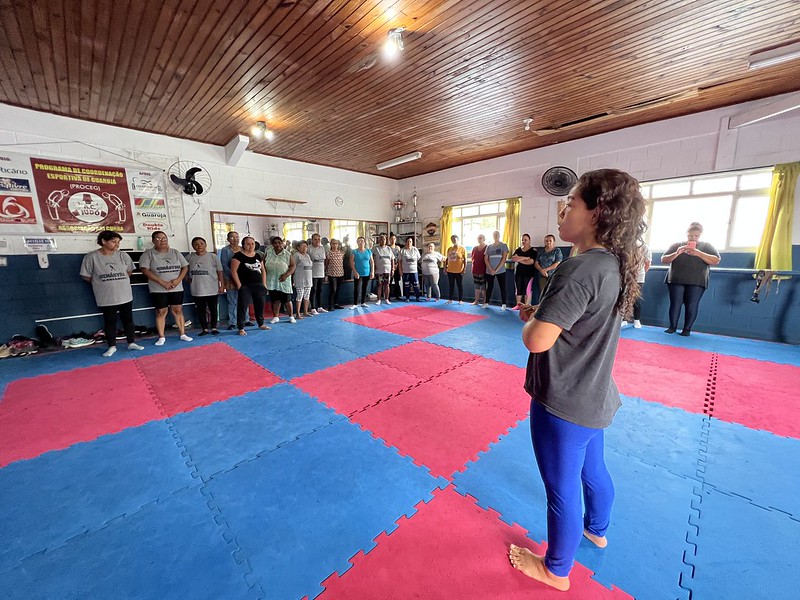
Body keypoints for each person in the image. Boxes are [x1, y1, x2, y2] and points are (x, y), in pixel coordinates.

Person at [509, 168, 647, 592]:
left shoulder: (580, 268)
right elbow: (580, 322)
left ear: (597, 212)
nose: (561, 212)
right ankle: (597, 530)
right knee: (594, 471)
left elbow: (536, 341)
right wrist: (547, 315)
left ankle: (555, 569)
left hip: (563, 400)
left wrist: (532, 322)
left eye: (570, 203)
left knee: (560, 488)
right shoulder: (615, 263)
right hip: (595, 396)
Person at [80, 230, 145, 357]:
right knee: (110, 321)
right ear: (104, 241)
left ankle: (131, 342)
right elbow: (85, 276)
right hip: (106, 296)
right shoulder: (91, 257)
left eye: (118, 242)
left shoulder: (123, 255)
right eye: (113, 242)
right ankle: (112, 346)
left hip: (124, 294)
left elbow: (129, 271)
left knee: (128, 319)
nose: (117, 245)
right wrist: (101, 282)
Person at [660, 222, 720, 336]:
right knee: (675, 303)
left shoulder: (707, 246)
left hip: (697, 281)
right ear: (686, 234)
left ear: (700, 235)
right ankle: (672, 327)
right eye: (690, 236)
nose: (693, 238)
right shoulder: (677, 245)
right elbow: (664, 259)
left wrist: (698, 253)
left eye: (696, 236)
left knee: (692, 304)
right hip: (676, 279)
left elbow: (716, 260)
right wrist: (677, 253)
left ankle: (687, 329)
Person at [139, 231, 191, 346]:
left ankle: (183, 334)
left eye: (164, 238)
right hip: (158, 289)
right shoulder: (148, 254)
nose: (162, 241)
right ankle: (161, 336)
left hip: (176, 288)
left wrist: (178, 280)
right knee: (161, 312)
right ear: (153, 241)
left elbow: (185, 267)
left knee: (177, 310)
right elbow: (145, 270)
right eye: (158, 239)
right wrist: (161, 282)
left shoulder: (175, 252)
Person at [230, 236, 270, 335]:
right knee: (243, 306)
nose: (250, 245)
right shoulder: (238, 256)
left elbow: (263, 270)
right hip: (245, 286)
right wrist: (239, 285)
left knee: (260, 305)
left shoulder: (257, 255)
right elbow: (233, 271)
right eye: (248, 243)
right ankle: (241, 327)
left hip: (259, 285)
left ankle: (261, 323)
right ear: (243, 245)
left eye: (252, 243)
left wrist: (264, 284)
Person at [186, 236, 224, 336]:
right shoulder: (189, 257)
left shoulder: (213, 257)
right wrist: (186, 278)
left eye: (201, 243)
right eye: (196, 244)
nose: (199, 246)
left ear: (205, 245)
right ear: (193, 246)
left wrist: (222, 285)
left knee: (213, 308)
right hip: (197, 289)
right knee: (200, 309)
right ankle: (205, 329)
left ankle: (214, 327)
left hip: (212, 288)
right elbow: (183, 270)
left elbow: (220, 272)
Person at [218, 231, 252, 330]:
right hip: (230, 278)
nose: (235, 239)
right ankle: (232, 322)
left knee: (244, 300)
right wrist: (234, 275)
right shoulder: (225, 250)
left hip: (243, 279)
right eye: (232, 237)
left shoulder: (243, 249)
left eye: (237, 237)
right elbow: (224, 265)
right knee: (233, 301)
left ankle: (246, 320)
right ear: (228, 239)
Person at [264, 236, 296, 324]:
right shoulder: (268, 252)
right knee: (275, 300)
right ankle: (275, 316)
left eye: (279, 242)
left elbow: (293, 266)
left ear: (282, 243)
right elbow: (263, 263)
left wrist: (286, 275)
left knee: (287, 300)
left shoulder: (288, 254)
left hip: (284, 280)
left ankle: (291, 316)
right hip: (271, 280)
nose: (277, 244)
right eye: (275, 243)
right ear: (272, 244)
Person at [623, 242, 651, 328]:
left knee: (635, 298)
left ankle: (637, 319)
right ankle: (623, 319)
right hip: (625, 276)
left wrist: (640, 274)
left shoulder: (644, 247)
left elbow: (647, 264)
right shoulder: (625, 244)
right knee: (623, 297)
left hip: (638, 277)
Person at [484, 230, 509, 309]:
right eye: (494, 235)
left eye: (497, 235)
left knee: (502, 287)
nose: (496, 236)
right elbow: (486, 259)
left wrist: (496, 270)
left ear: (499, 236)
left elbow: (504, 258)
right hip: (489, 271)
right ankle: (487, 302)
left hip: (501, 270)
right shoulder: (489, 246)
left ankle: (504, 304)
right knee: (489, 287)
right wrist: (490, 269)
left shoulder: (503, 245)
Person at [511, 234, 537, 307]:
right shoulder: (518, 249)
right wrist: (525, 258)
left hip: (528, 274)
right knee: (518, 289)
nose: (523, 241)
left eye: (525, 240)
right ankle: (518, 305)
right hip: (518, 273)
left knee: (527, 289)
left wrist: (519, 259)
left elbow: (531, 261)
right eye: (522, 240)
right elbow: (513, 258)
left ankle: (527, 306)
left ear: (529, 240)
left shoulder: (533, 250)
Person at [535, 234, 563, 301]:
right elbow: (536, 263)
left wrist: (545, 270)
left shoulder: (557, 250)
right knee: (543, 292)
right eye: (546, 241)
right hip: (542, 275)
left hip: (553, 275)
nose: (548, 242)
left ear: (554, 241)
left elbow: (557, 263)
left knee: (553, 292)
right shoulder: (541, 251)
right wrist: (541, 270)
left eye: (550, 241)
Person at [350, 236, 374, 308]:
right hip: (358, 273)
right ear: (357, 243)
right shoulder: (354, 251)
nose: (361, 242)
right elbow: (351, 262)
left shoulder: (368, 251)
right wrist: (355, 272)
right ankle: (355, 304)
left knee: (365, 288)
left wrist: (372, 271)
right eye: (359, 241)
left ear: (364, 242)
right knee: (356, 288)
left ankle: (363, 302)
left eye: (362, 241)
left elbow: (372, 262)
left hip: (367, 272)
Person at [398, 236, 423, 302]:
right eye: (408, 241)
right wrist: (400, 270)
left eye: (410, 241)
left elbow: (418, 259)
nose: (409, 243)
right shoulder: (402, 250)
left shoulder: (415, 249)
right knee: (406, 285)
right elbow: (399, 261)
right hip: (405, 271)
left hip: (414, 271)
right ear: (405, 242)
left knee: (416, 284)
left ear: (412, 243)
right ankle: (407, 298)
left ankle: (417, 297)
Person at [294, 240, 314, 318]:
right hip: (300, 279)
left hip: (308, 279)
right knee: (300, 295)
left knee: (307, 296)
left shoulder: (307, 255)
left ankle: (305, 312)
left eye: (305, 246)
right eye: (302, 246)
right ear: (298, 247)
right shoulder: (296, 255)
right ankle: (298, 313)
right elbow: (293, 266)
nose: (304, 248)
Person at [372, 233, 394, 305]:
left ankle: (387, 299)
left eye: (384, 239)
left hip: (387, 270)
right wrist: (373, 267)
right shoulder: (375, 248)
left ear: (386, 240)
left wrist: (393, 269)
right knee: (380, 284)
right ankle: (378, 299)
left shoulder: (389, 249)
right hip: (379, 270)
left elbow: (392, 259)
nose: (382, 240)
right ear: (379, 240)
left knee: (387, 284)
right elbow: (371, 258)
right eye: (381, 239)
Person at [308, 233, 327, 315]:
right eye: (315, 239)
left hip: (321, 271)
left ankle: (320, 307)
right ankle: (312, 308)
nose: (317, 241)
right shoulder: (308, 248)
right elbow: (311, 258)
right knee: (314, 290)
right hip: (312, 271)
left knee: (320, 289)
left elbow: (323, 257)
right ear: (312, 240)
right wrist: (317, 258)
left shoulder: (322, 248)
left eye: (318, 239)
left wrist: (317, 258)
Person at [444, 234, 466, 304]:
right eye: (452, 239)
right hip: (450, 270)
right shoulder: (449, 249)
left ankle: (460, 300)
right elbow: (447, 259)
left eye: (455, 239)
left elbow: (465, 259)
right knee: (451, 285)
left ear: (458, 239)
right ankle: (450, 299)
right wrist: (445, 268)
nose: (454, 240)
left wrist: (464, 269)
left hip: (459, 270)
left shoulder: (462, 248)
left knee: (459, 285)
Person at [325, 238, 345, 309]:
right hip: (332, 274)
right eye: (333, 243)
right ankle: (331, 305)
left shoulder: (342, 253)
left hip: (340, 273)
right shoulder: (328, 253)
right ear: (330, 244)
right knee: (333, 289)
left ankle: (336, 303)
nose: (334, 245)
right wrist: (326, 274)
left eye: (336, 243)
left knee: (338, 290)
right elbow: (326, 264)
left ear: (338, 245)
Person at [471, 234, 488, 306]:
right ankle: (476, 300)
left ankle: (484, 301)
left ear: (484, 239)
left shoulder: (487, 247)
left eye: (480, 238)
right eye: (478, 238)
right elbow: (472, 258)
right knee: (477, 286)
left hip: (483, 270)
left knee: (483, 287)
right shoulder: (475, 248)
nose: (479, 239)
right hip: (475, 270)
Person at [388, 233, 403, 299]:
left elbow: (399, 257)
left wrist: (397, 265)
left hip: (397, 266)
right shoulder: (388, 248)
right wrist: (392, 266)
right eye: (391, 239)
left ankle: (397, 295)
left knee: (397, 281)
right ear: (389, 240)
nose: (393, 240)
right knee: (389, 281)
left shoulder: (398, 247)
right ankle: (388, 296)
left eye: (394, 239)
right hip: (390, 267)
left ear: (395, 239)